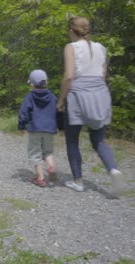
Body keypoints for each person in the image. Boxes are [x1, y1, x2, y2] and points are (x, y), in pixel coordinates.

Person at [57, 16, 124, 193]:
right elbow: (103, 76)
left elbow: (69, 76)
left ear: (71, 30)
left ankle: (78, 181)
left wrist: (61, 100)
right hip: (100, 94)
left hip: (78, 95)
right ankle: (113, 169)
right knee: (99, 139)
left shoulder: (71, 48)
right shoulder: (101, 48)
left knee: (72, 140)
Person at [19, 69, 58, 187]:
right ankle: (51, 166)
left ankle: (40, 178)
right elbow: (58, 112)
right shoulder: (52, 96)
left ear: (31, 84)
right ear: (47, 82)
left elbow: (23, 112)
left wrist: (21, 126)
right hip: (49, 129)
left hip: (35, 128)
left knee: (35, 153)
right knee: (47, 151)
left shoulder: (30, 96)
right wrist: (60, 127)